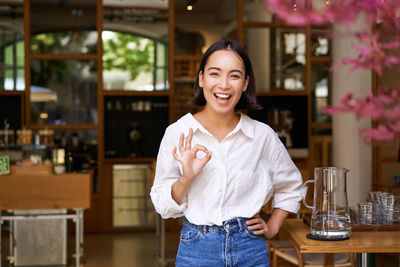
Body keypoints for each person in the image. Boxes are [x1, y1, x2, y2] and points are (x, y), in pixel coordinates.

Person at [150, 40, 305, 267]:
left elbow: (292, 187)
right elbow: (162, 205)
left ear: (245, 83)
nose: (224, 85)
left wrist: (272, 226)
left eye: (234, 76)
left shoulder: (262, 136)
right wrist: (187, 178)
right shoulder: (178, 133)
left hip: (250, 249)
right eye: (215, 74)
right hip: (197, 249)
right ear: (201, 78)